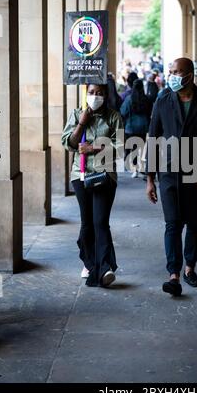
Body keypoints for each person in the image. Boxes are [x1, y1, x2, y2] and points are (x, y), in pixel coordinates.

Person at [146, 58, 197, 297]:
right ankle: (173, 274)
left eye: (176, 72)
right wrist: (150, 178)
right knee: (172, 224)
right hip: (169, 172)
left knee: (194, 223)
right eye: (170, 72)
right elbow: (153, 138)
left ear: (190, 75)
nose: (171, 76)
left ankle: (190, 269)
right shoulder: (162, 100)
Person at [62, 83, 124, 287]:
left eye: (99, 93)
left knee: (100, 221)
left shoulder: (114, 116)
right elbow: (68, 143)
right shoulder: (77, 113)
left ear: (106, 95)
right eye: (91, 93)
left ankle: (104, 267)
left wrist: (95, 148)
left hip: (104, 175)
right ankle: (89, 262)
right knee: (87, 222)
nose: (95, 96)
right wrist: (81, 124)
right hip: (80, 175)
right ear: (85, 94)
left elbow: (122, 147)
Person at [120, 79, 152, 178]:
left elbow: (123, 112)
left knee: (132, 148)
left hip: (130, 128)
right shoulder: (146, 99)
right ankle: (141, 167)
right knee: (140, 148)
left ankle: (135, 169)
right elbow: (150, 112)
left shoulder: (129, 99)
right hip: (143, 127)